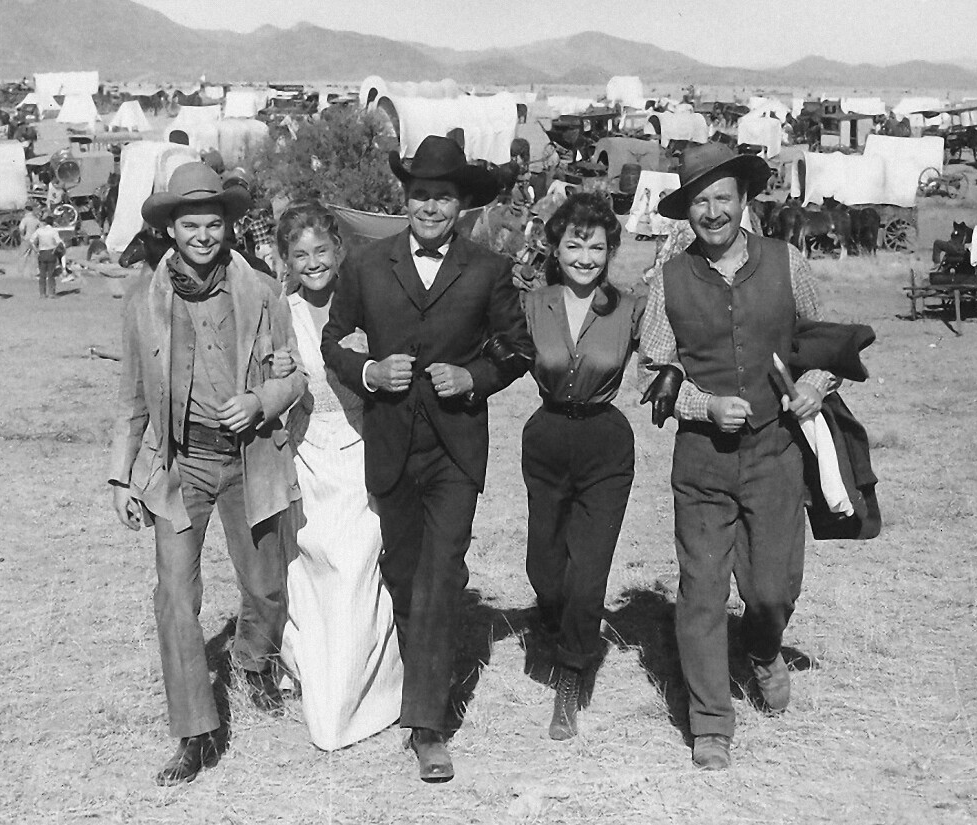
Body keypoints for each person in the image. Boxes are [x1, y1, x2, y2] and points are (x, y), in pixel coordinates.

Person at [321, 135, 533, 783]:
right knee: (404, 572)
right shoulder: (366, 264)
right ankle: (416, 678)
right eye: (420, 195)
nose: (431, 207)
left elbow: (517, 350)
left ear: (462, 204)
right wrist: (368, 370)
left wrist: (474, 378)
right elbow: (334, 339)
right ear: (405, 198)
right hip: (390, 445)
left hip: (454, 449)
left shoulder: (488, 269)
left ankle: (427, 725)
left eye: (443, 197)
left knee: (441, 576)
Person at [107, 162, 307, 786]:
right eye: (190, 224)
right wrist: (121, 476)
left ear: (228, 226)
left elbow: (294, 376)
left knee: (267, 583)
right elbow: (132, 396)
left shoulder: (262, 290)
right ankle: (195, 731)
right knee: (174, 596)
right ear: (170, 229)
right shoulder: (143, 300)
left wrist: (261, 401)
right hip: (181, 466)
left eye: (212, 224)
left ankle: (253, 661)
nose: (202, 235)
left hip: (251, 458)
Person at [639, 143, 836, 770]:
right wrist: (702, 405)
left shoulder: (787, 262)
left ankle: (762, 646)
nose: (713, 212)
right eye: (700, 201)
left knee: (773, 588)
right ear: (687, 211)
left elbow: (823, 341)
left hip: (777, 453)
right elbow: (654, 372)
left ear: (744, 201)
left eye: (723, 198)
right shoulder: (669, 279)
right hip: (702, 461)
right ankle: (710, 724)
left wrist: (815, 385)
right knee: (700, 592)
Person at [270, 202, 403, 750]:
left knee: (355, 569)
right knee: (312, 565)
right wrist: (277, 370)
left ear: (339, 251)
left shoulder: (365, 302)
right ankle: (310, 670)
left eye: (321, 250)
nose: (313, 263)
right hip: (308, 451)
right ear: (286, 260)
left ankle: (366, 695)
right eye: (300, 254)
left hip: (362, 450)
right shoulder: (282, 313)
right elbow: (269, 378)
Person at [520, 192, 647, 740]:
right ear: (555, 248)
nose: (585, 258)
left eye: (597, 247)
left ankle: (572, 674)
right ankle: (553, 618)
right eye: (574, 245)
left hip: (605, 443)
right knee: (545, 569)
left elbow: (671, 347)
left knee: (589, 572)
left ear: (610, 252)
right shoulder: (533, 302)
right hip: (547, 438)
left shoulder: (630, 306)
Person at [29, 215, 62, 298]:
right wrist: (54, 251)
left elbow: (31, 240)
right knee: (51, 274)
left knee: (42, 274)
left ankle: (42, 293)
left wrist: (36, 250)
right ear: (52, 222)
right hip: (51, 252)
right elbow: (58, 242)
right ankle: (51, 293)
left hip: (42, 253)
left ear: (45, 222)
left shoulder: (39, 230)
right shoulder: (54, 231)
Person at [18, 203, 41, 277]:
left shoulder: (25, 219)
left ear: (26, 211)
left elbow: (21, 229)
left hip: (27, 239)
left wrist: (22, 236)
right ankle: (33, 272)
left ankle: (21, 272)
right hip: (35, 240)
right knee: (34, 256)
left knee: (23, 256)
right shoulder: (36, 220)